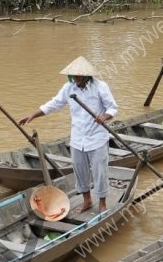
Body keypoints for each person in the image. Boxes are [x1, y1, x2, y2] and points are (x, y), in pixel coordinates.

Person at [17, 56, 119, 214]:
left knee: (100, 171)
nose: (75, 78)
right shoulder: (69, 88)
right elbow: (54, 104)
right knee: (80, 170)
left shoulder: (100, 87)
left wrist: (105, 116)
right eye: (73, 76)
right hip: (78, 138)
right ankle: (87, 200)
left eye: (78, 76)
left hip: (97, 137)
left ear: (86, 75)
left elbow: (112, 108)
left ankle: (102, 203)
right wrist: (33, 115)